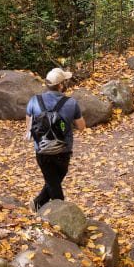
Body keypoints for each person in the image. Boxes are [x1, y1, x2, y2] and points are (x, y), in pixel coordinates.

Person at [25, 68, 86, 211]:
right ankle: (62, 213)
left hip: (42, 150)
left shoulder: (35, 100)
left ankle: (38, 203)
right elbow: (82, 126)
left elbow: (29, 125)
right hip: (63, 150)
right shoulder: (71, 103)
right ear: (60, 86)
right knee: (54, 182)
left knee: (52, 181)